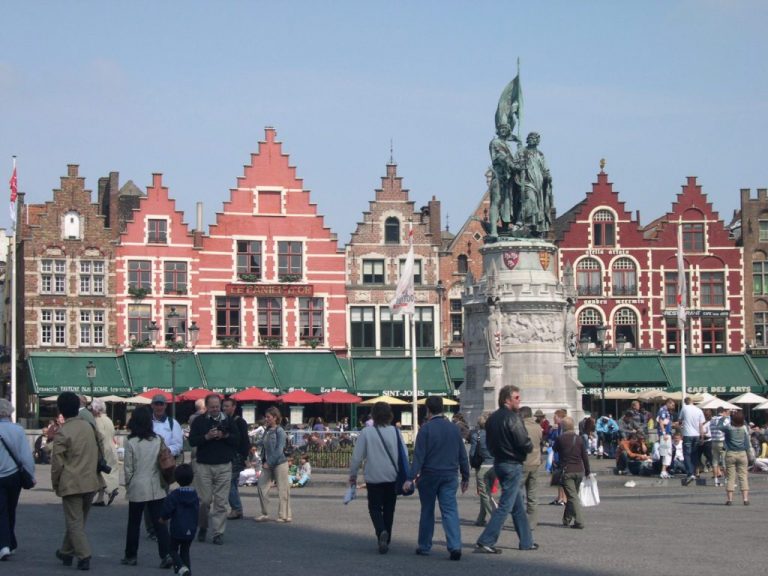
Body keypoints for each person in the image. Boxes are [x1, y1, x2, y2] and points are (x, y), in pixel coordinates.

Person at [403, 396, 468, 561]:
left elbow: (419, 457)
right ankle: (455, 546)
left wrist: (410, 478)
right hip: (450, 474)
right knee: (450, 510)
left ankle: (424, 546)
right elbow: (462, 455)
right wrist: (465, 476)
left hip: (430, 474)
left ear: (428, 410)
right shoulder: (454, 429)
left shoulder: (425, 429)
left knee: (427, 511)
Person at [475, 385, 536, 554]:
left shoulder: (492, 419)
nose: (519, 400)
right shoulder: (513, 418)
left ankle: (526, 541)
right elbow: (523, 441)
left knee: (517, 505)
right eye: (516, 397)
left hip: (499, 463)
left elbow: (489, 443)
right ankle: (486, 540)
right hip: (512, 464)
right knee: (505, 505)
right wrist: (529, 447)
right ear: (507, 400)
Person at [52, 391, 100, 571]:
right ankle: (65, 551)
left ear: (61, 410)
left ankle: (84, 555)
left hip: (71, 482)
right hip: (90, 480)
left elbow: (57, 463)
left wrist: (55, 483)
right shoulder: (89, 426)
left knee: (74, 522)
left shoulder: (63, 432)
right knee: (78, 521)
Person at [348, 401, 405, 554]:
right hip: (392, 476)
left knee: (374, 507)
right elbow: (404, 455)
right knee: (389, 509)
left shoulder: (367, 432)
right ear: (389, 415)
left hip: (373, 476)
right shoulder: (396, 431)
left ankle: (381, 532)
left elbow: (356, 458)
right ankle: (387, 537)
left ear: (374, 415)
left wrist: (353, 475)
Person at [121, 405, 172, 568]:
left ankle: (131, 555)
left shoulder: (130, 441)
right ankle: (166, 555)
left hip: (137, 485)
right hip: (156, 485)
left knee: (134, 523)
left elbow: (128, 467)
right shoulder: (157, 439)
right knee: (160, 523)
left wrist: (128, 484)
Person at [188, 394, 238, 544]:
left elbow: (237, 440)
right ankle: (203, 526)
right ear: (207, 407)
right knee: (204, 501)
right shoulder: (199, 421)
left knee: (221, 502)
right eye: (212, 407)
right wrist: (206, 437)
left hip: (223, 465)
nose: (215, 409)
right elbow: (192, 441)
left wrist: (225, 435)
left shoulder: (228, 420)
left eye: (217, 406)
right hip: (204, 465)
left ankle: (218, 532)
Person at [0, 398, 36, 560]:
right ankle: (10, 542)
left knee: (1, 510)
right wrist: (31, 474)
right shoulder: (18, 430)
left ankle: (4, 545)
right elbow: (25, 456)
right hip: (14, 475)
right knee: (11, 508)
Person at [160, 464, 199, 576]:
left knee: (172, 549)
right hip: (191, 528)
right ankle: (187, 571)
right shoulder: (194, 495)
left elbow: (168, 509)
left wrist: (163, 518)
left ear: (176, 479)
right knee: (185, 551)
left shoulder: (175, 495)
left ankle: (181, 568)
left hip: (177, 527)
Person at [512, 132, 553, 236]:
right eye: (530, 137)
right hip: (525, 181)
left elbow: (545, 168)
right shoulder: (521, 152)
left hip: (539, 183)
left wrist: (547, 176)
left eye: (534, 138)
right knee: (530, 200)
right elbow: (513, 165)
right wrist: (519, 166)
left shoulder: (540, 154)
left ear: (538, 141)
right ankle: (520, 222)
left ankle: (535, 226)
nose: (532, 139)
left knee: (539, 206)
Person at [255, 406, 291, 523]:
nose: (266, 419)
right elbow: (262, 442)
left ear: (275, 417)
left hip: (279, 463)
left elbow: (279, 449)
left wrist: (269, 463)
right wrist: (252, 442)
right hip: (267, 463)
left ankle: (284, 515)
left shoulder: (279, 431)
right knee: (261, 486)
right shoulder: (267, 430)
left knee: (282, 489)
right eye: (266, 417)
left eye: (268, 417)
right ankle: (265, 513)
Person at [553, 417, 591, 529]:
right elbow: (585, 456)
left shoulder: (560, 438)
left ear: (563, 427)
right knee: (572, 495)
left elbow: (554, 449)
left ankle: (579, 521)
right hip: (579, 470)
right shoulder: (579, 439)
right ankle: (566, 519)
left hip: (567, 471)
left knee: (573, 497)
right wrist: (588, 471)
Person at [713, 411, 750, 505]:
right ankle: (745, 499)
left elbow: (719, 427)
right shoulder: (744, 428)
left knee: (730, 477)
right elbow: (747, 442)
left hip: (730, 454)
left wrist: (724, 417)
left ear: (732, 420)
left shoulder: (729, 428)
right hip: (742, 453)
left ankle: (730, 500)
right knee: (743, 476)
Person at [222, 397, 249, 520]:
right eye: (224, 406)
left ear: (234, 407)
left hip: (236, 456)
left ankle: (236, 508)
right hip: (227, 455)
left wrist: (244, 457)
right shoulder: (223, 420)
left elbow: (245, 441)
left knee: (229, 482)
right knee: (231, 483)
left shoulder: (239, 421)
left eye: (228, 406)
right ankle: (236, 508)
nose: (225, 408)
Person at [90, 399, 119, 507]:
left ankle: (110, 490)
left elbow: (100, 435)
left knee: (100, 472)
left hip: (102, 449)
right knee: (106, 471)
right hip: (111, 447)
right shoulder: (108, 419)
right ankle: (100, 498)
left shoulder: (97, 420)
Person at [468, 413, 495, 527]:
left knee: (484, 494)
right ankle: (481, 518)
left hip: (483, 466)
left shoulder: (476, 435)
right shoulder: (497, 434)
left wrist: (472, 463)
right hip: (496, 466)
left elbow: (472, 452)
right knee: (487, 492)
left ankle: (495, 518)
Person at [520, 406, 542, 530]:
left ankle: (520, 519)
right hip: (535, 463)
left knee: (518, 493)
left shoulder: (521, 427)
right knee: (532, 494)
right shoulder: (538, 427)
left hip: (523, 463)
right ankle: (532, 523)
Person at [677, 396, 705, 486]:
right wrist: (702, 436)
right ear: (692, 402)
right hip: (696, 435)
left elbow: (680, 421)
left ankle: (690, 473)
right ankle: (695, 472)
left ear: (685, 402)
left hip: (687, 434)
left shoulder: (684, 409)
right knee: (694, 454)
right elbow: (701, 425)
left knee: (687, 454)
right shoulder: (699, 410)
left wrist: (681, 426)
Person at [709, 407, 730, 487]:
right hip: (722, 442)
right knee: (725, 461)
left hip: (714, 441)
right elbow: (728, 431)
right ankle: (726, 480)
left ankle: (716, 481)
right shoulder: (725, 420)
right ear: (723, 412)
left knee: (715, 462)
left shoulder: (712, 420)